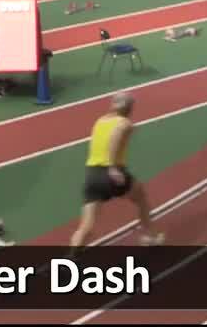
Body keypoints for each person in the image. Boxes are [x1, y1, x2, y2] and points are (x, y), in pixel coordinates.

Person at [69, 93, 165, 254]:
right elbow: (116, 135)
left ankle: (71, 257)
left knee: (86, 225)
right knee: (141, 198)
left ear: (112, 105)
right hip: (112, 173)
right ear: (130, 109)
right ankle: (150, 237)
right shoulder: (125, 124)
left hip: (92, 175)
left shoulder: (100, 121)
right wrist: (113, 167)